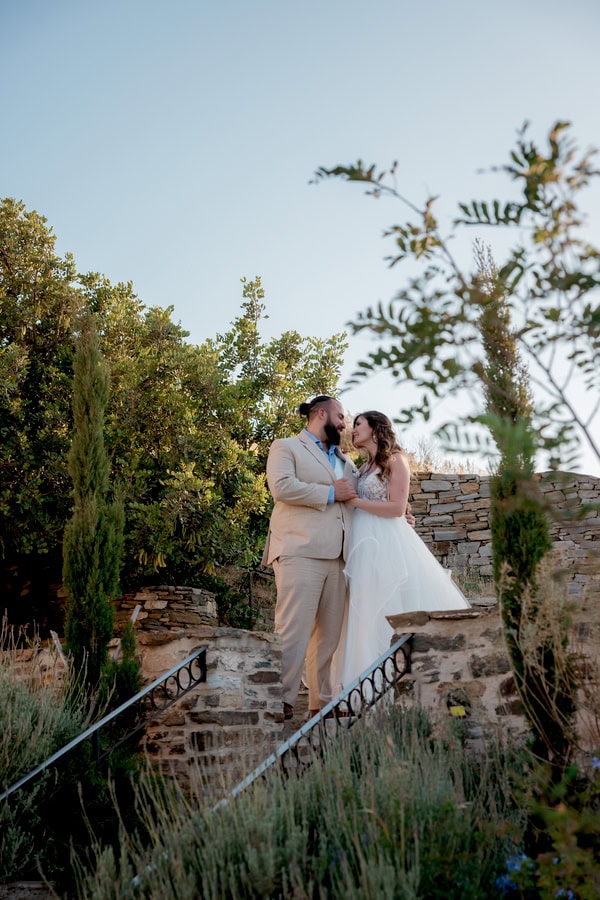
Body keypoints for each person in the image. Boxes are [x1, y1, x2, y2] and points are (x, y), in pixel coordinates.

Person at [331, 410, 470, 696]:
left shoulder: (396, 460)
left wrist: (356, 500)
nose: (353, 429)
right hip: (363, 542)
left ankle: (394, 682)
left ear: (376, 428)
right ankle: (362, 686)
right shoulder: (365, 465)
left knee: (387, 605)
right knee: (363, 607)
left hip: (385, 542)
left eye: (358, 424)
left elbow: (396, 508)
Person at [262, 395, 358, 720]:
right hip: (299, 549)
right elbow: (282, 487)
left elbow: (362, 498)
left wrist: (401, 514)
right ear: (321, 413)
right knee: (293, 629)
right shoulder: (286, 446)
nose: (345, 424)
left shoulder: (345, 461)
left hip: (339, 556)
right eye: (341, 416)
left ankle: (322, 704)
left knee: (328, 637)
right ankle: (280, 702)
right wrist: (331, 493)